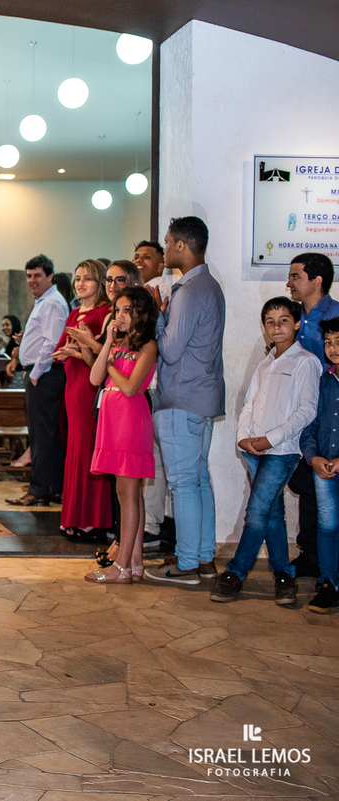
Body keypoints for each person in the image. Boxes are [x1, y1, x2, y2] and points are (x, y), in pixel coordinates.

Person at [210, 298, 320, 605]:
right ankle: (284, 577)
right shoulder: (265, 363)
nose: (276, 327)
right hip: (253, 448)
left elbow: (306, 411)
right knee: (272, 513)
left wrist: (270, 440)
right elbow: (250, 403)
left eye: (283, 320)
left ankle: (235, 572)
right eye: (270, 322)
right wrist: (242, 437)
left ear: (296, 324)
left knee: (257, 512)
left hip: (281, 451)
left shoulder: (306, 362)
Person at [145, 217, 226, 585]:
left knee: (182, 484)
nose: (164, 249)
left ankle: (188, 563)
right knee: (198, 480)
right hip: (203, 396)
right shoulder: (210, 286)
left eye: (167, 242)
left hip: (181, 397)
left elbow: (171, 351)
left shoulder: (190, 291)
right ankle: (204, 558)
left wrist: (158, 318)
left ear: (181, 245)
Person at [85, 288, 158, 583]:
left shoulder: (148, 345)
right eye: (118, 310)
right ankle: (135, 563)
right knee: (127, 494)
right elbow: (94, 378)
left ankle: (122, 566)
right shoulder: (116, 344)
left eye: (128, 310)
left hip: (131, 420)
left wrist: (111, 366)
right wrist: (107, 344)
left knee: (128, 494)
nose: (120, 316)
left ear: (141, 313)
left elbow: (130, 387)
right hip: (112, 421)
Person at [50, 260, 113, 539]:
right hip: (72, 384)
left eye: (88, 278)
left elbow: (103, 356)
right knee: (74, 449)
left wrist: (76, 351)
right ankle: (74, 517)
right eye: (77, 278)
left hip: (89, 385)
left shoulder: (104, 312)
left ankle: (93, 520)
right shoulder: (75, 311)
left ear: (100, 283)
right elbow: (59, 348)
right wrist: (68, 351)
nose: (81, 283)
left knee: (89, 449)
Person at [285, 252, 338, 579]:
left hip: (329, 414)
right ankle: (311, 555)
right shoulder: (292, 317)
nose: (288, 283)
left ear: (316, 281)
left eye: (295, 276)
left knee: (326, 488)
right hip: (298, 416)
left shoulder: (335, 316)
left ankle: (327, 562)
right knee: (305, 483)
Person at [7, 255, 70, 507]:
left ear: (50, 276)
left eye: (37, 275)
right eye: (29, 276)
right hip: (41, 374)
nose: (32, 280)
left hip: (45, 375)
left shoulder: (52, 302)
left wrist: (35, 374)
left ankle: (40, 490)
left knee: (42, 436)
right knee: (44, 434)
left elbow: (52, 343)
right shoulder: (44, 301)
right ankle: (49, 487)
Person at [301, 317, 339, 612]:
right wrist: (313, 457)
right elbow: (310, 426)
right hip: (324, 469)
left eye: (338, 342)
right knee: (327, 527)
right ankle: (328, 583)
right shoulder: (323, 382)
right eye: (328, 342)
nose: (333, 348)